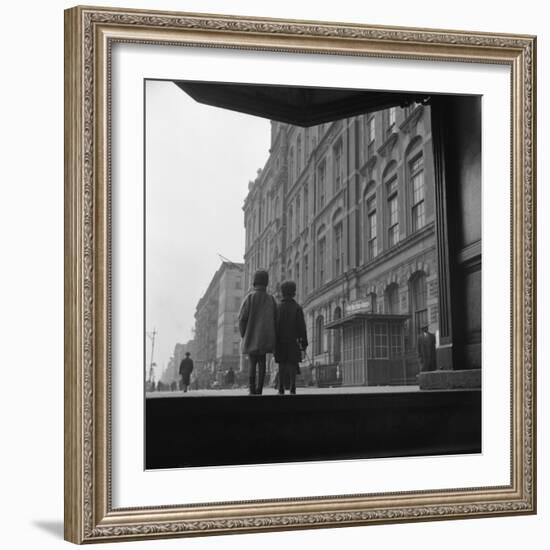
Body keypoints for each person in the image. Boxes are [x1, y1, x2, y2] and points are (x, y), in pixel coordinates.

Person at [238, 269, 277, 395]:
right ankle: (260, 389)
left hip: (251, 336)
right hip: (265, 337)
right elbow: (276, 318)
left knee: (252, 362)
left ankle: (252, 388)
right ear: (266, 283)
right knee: (262, 362)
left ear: (254, 282)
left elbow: (242, 319)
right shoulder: (271, 299)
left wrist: (244, 334)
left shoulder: (249, 298)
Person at [274, 280, 308, 395]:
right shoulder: (297, 308)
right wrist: (304, 343)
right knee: (293, 363)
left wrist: (274, 341)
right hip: (293, 341)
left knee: (282, 364)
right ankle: (293, 386)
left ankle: (281, 387)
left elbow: (274, 325)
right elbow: (301, 327)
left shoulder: (277, 308)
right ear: (294, 293)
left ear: (282, 293)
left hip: (280, 341)